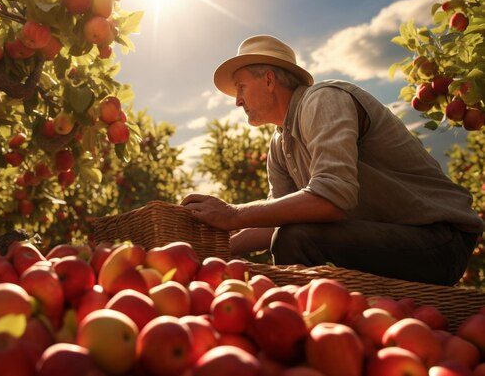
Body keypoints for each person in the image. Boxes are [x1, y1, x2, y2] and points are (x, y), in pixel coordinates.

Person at [181, 35, 484, 286]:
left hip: (440, 240)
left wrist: (234, 214)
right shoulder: (278, 145)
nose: (237, 100)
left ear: (270, 80)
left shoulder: (324, 100)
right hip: (391, 239)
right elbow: (277, 218)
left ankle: (300, 337)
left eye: (242, 87)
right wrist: (215, 250)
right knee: (291, 233)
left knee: (296, 238)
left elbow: (333, 197)